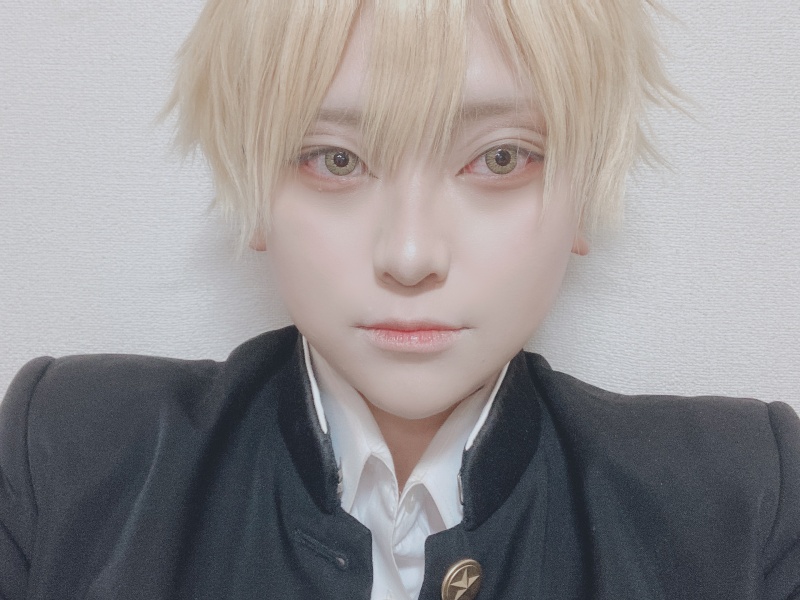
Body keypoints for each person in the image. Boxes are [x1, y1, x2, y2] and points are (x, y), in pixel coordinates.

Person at [1, 1, 798, 599]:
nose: (410, 255)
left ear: (582, 194)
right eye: (335, 159)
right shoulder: (66, 457)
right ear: (254, 191)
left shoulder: (745, 501)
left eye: (501, 157)